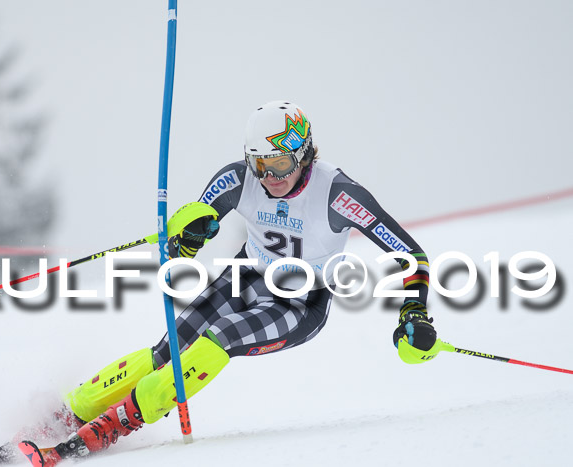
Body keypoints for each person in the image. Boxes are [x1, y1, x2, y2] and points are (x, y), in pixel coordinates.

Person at [25, 101, 437, 464]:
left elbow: (409, 255)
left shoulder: (339, 194)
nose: (268, 176)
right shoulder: (240, 179)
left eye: (278, 164)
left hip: (298, 304)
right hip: (244, 276)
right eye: (259, 164)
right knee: (166, 351)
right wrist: (185, 237)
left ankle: (112, 426)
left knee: (216, 341)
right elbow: (194, 228)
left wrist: (413, 310)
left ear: (305, 153)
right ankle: (68, 413)